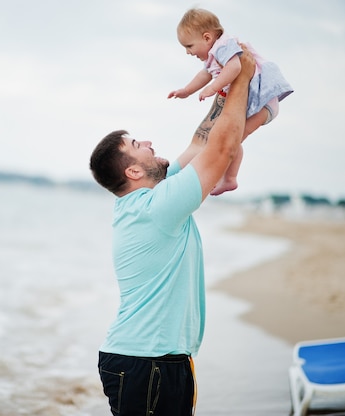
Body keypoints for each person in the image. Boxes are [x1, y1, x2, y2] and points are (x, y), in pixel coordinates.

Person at [89, 44, 256, 416]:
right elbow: (222, 148)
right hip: (147, 362)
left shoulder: (153, 199)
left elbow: (201, 143)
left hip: (159, 360)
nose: (148, 142)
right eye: (137, 145)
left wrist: (223, 90)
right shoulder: (156, 207)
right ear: (133, 172)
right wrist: (242, 75)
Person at [167, 7, 293, 195]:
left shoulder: (223, 46)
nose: (187, 52)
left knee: (230, 140)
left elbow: (234, 68)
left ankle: (228, 178)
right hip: (260, 104)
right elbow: (205, 74)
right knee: (230, 139)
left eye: (189, 46)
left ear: (207, 38)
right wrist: (187, 90)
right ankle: (228, 178)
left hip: (264, 103)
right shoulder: (214, 53)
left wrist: (213, 87)